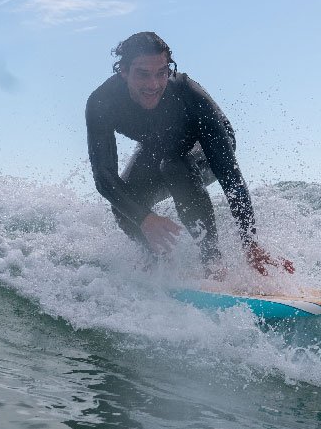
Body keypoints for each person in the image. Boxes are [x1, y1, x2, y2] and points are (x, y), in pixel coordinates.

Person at [85, 31, 294, 278]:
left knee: (175, 165)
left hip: (206, 146)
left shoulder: (187, 94)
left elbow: (229, 174)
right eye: (143, 74)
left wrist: (250, 243)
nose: (153, 85)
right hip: (157, 146)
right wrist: (145, 218)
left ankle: (213, 262)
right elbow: (104, 177)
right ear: (123, 71)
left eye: (161, 72)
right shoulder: (102, 102)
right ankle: (157, 261)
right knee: (125, 205)